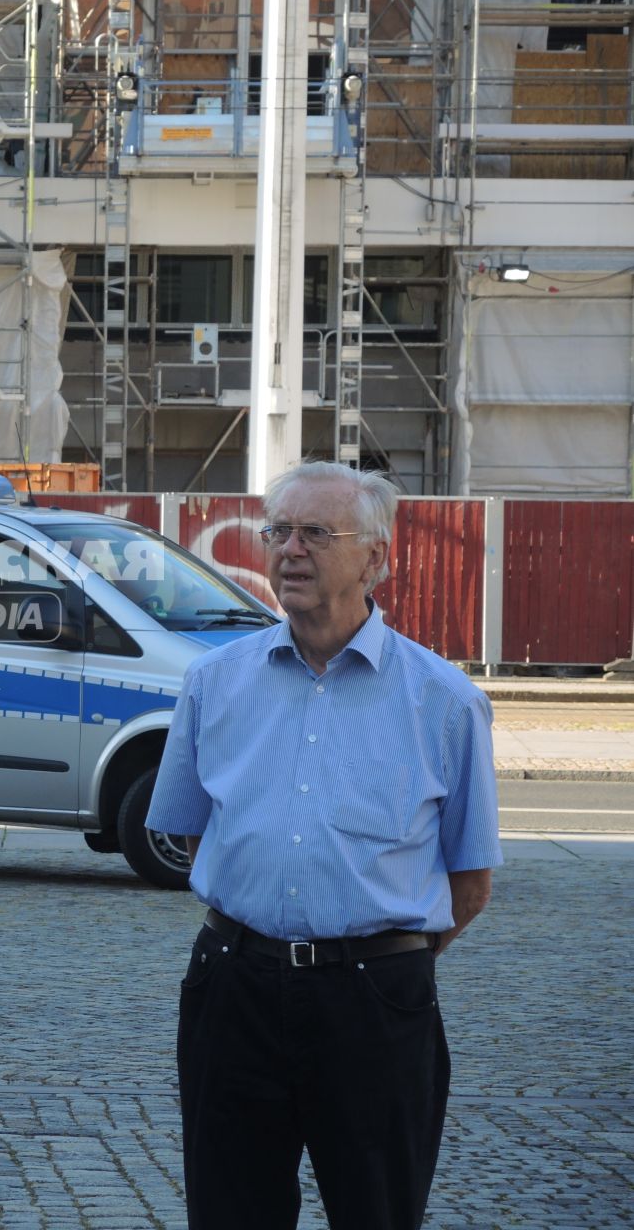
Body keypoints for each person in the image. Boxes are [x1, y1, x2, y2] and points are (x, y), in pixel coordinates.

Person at [148, 460, 501, 1230]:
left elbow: (468, 882)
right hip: (231, 986)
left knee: (374, 1210)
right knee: (228, 1211)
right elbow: (185, 828)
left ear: (375, 558)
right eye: (277, 532)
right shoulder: (213, 682)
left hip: (373, 1003)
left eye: (315, 533)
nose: (289, 551)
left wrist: (373, 957)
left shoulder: (443, 700)